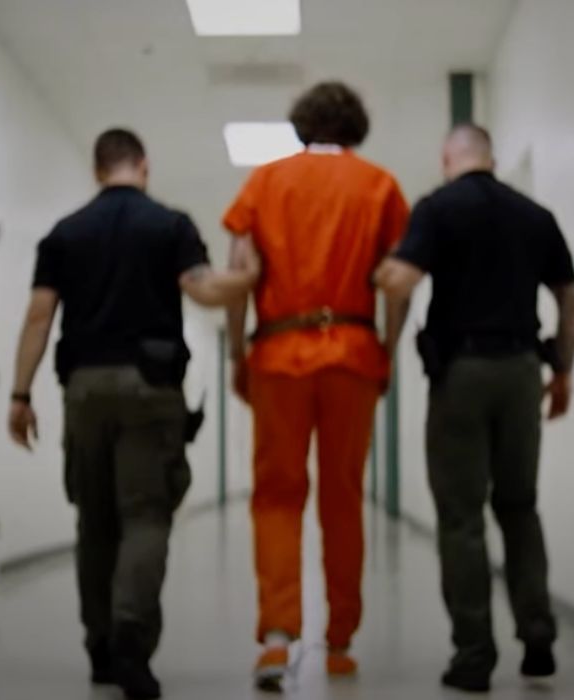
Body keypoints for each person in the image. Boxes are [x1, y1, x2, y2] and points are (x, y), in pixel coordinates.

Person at [7, 128, 259, 700]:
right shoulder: (169, 225)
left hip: (85, 390)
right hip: (151, 389)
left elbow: (39, 318)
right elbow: (203, 290)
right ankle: (130, 640)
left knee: (94, 521)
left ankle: (99, 648)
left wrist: (19, 396)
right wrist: (249, 275)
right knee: (146, 516)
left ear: (99, 170)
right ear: (144, 165)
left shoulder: (64, 234)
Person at [375, 124, 574, 693]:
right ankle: (536, 635)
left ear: (448, 157)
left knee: (461, 518)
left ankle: (474, 656)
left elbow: (401, 283)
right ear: (489, 157)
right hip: (521, 373)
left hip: (461, 375)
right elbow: (568, 299)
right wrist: (563, 370)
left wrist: (385, 348)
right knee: (519, 506)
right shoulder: (535, 215)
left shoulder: (438, 208)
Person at [223, 81, 412, 691]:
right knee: (343, 496)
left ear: (302, 125)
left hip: (278, 352)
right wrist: (387, 348)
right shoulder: (380, 185)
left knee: (276, 494)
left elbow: (238, 273)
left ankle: (278, 639)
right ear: (355, 127)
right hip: (354, 354)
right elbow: (397, 283)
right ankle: (338, 642)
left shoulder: (264, 183)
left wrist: (237, 351)